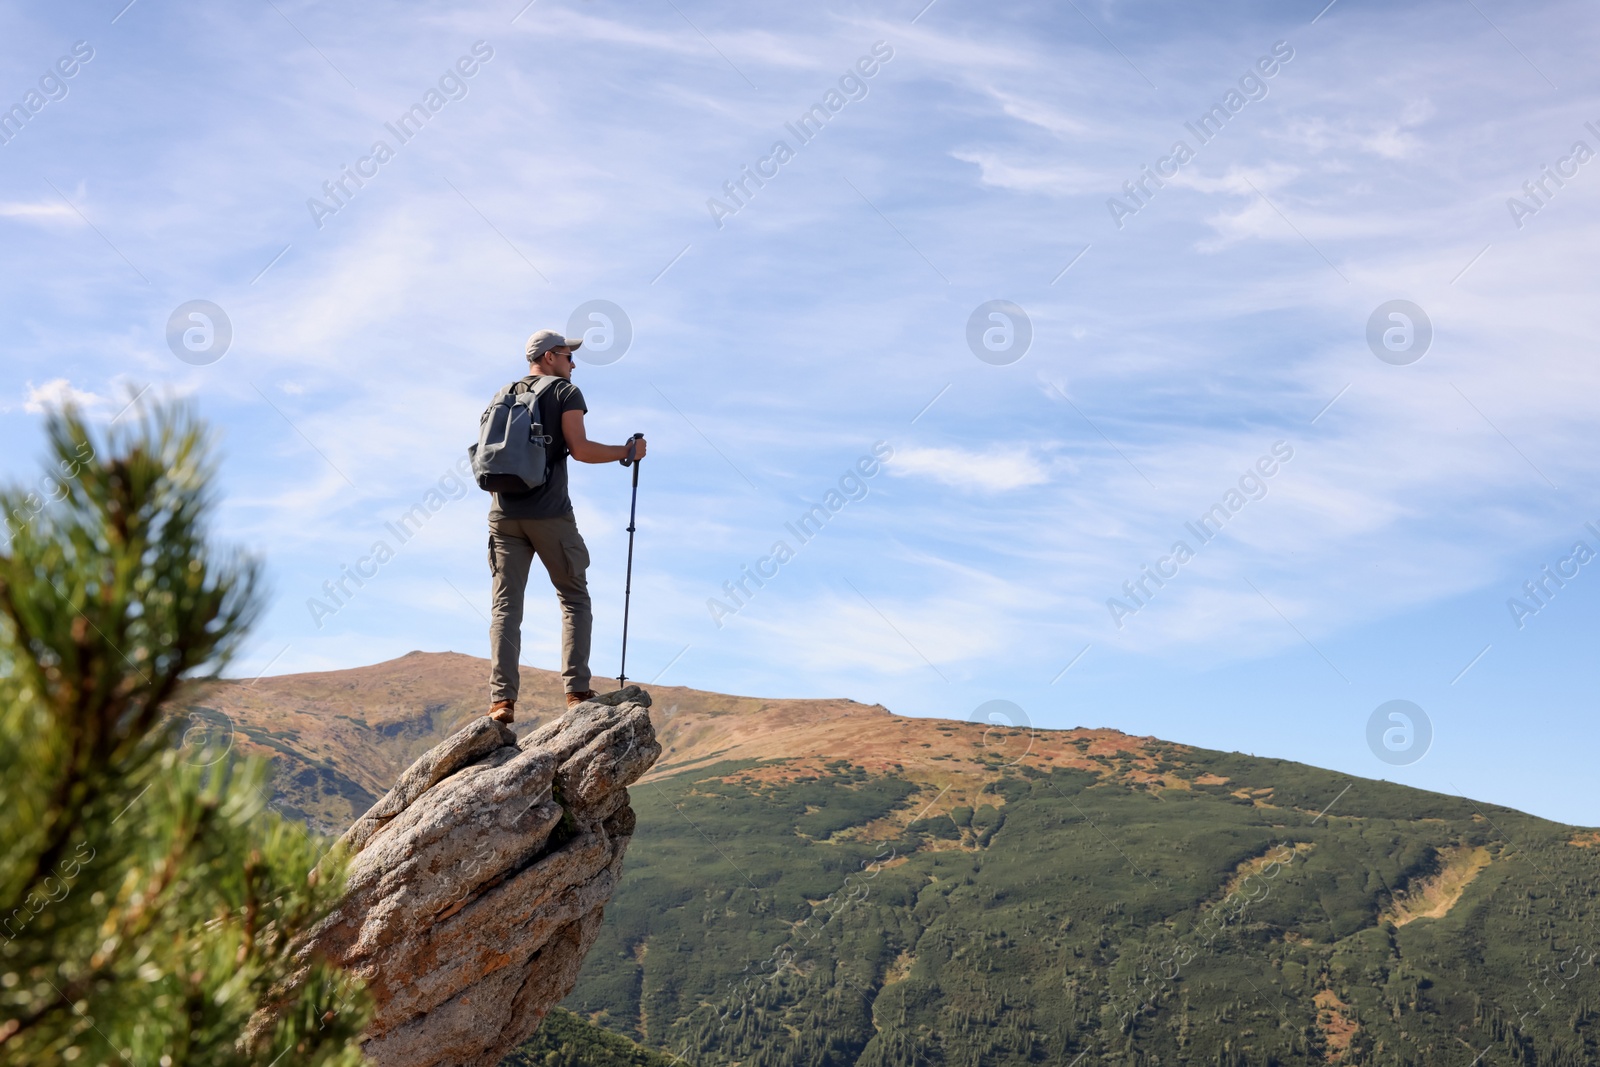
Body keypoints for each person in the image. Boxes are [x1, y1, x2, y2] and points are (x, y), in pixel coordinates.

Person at [486, 329, 647, 724]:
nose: (573, 363)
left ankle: (501, 702)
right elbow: (581, 449)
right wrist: (627, 452)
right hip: (550, 513)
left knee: (506, 608)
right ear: (551, 356)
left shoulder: (503, 393)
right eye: (569, 356)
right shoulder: (564, 392)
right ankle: (577, 692)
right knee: (574, 597)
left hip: (503, 514)